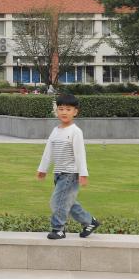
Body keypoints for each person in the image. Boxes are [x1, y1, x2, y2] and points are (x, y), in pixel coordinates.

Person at [36, 94, 100, 240]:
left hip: (70, 174)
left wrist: (83, 174)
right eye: (61, 109)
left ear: (75, 112)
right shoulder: (55, 130)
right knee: (66, 202)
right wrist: (42, 169)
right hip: (58, 173)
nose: (64, 112)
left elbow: (80, 154)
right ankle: (90, 222)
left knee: (57, 202)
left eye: (68, 109)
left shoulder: (75, 131)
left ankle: (58, 229)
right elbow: (48, 151)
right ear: (56, 111)